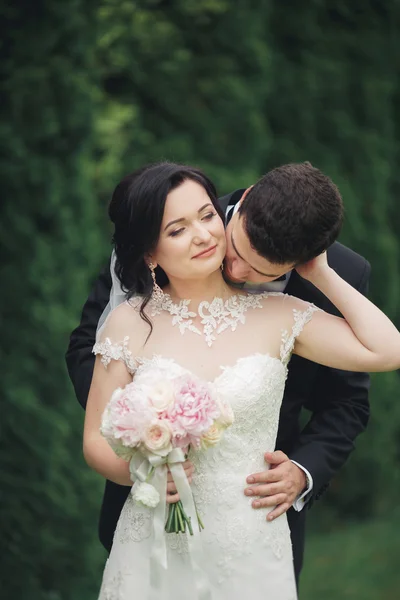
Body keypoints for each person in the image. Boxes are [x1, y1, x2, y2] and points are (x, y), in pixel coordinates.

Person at [75, 162, 399, 600]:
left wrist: (317, 269)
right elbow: (96, 437)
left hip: (251, 535)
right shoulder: (127, 322)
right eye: (177, 230)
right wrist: (141, 463)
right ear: (150, 252)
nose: (206, 236)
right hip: (154, 537)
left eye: (207, 217)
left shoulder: (280, 313)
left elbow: (388, 351)